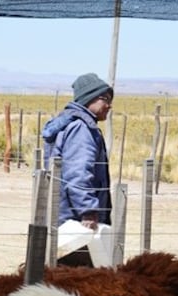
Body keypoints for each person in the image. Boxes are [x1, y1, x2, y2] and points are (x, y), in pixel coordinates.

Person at [42, 72, 114, 267]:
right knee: (77, 276)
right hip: (75, 221)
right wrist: (88, 210)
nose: (109, 105)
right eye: (105, 99)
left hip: (63, 214)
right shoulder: (82, 129)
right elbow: (78, 173)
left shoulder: (71, 124)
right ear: (89, 98)